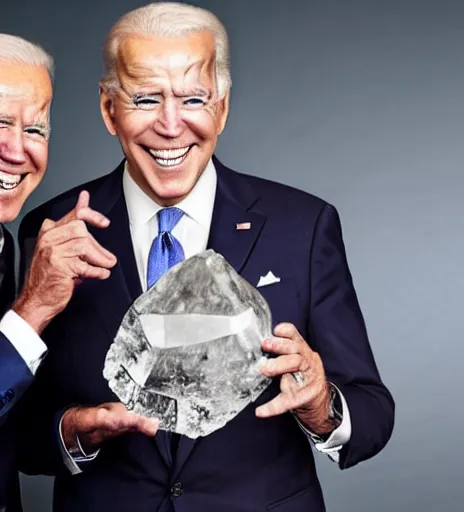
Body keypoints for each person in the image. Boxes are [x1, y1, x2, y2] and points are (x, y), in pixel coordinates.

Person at [17, 3, 395, 511]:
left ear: (222, 107)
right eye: (146, 98)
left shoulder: (302, 225)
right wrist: (72, 433)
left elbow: (371, 416)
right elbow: (14, 432)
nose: (171, 126)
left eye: (193, 98)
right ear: (109, 110)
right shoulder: (52, 230)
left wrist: (321, 405)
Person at [0, 34, 155, 512]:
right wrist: (34, 308)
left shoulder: (7, 246)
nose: (16, 150)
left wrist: (73, 429)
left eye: (36, 130)